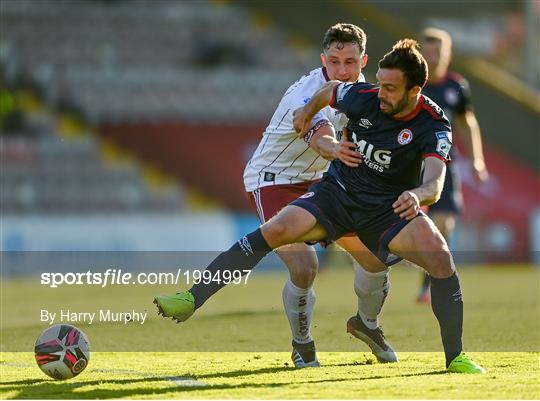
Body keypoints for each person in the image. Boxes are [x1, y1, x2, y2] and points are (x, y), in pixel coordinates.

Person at [154, 38, 486, 373]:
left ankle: (446, 353)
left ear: (414, 90)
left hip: (385, 207)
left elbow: (435, 183)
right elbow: (328, 96)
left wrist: (418, 195)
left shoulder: (433, 122)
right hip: (331, 193)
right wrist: (308, 112)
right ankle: (193, 298)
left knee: (438, 258)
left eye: (389, 88)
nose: (380, 93)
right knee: (281, 234)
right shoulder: (363, 96)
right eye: (380, 84)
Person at [242, 22, 397, 367]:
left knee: (376, 260)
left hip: (324, 182)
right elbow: (321, 138)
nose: (342, 71)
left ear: (364, 61)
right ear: (322, 59)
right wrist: (335, 150)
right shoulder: (307, 94)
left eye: (350, 62)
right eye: (335, 62)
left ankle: (367, 325)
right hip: (275, 181)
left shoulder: (366, 96)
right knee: (305, 266)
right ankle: (303, 344)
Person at [416, 27, 489, 303]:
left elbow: (467, 122)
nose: (434, 58)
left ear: (449, 54)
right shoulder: (411, 83)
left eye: (439, 52)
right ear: (420, 54)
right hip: (411, 166)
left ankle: (429, 284)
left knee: (443, 222)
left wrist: (478, 160)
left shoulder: (456, 86)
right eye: (429, 52)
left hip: (445, 162)